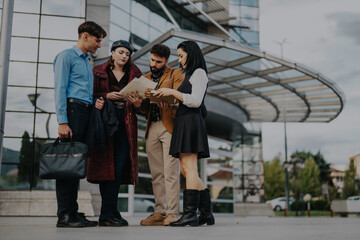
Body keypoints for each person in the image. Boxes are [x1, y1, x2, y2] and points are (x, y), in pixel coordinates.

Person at [153, 41, 215, 227]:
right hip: (184, 120)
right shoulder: (190, 74)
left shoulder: (199, 73)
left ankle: (190, 214)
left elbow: (196, 101)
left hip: (190, 122)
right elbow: (187, 100)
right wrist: (171, 101)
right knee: (186, 170)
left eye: (181, 55)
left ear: (191, 53)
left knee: (190, 169)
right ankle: (205, 214)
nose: (179, 60)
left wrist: (172, 91)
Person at [53, 21, 107, 228]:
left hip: (85, 112)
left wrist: (95, 102)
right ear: (85, 36)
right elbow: (60, 89)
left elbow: (83, 91)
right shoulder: (66, 57)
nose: (99, 45)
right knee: (67, 165)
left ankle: (72, 213)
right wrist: (63, 121)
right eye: (97, 40)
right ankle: (65, 216)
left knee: (75, 166)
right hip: (72, 113)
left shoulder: (87, 61)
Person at [88, 40, 143, 227]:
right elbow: (89, 96)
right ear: (112, 53)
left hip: (125, 122)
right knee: (106, 168)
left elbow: (142, 105)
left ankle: (109, 212)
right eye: (120, 52)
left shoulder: (135, 74)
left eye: (127, 54)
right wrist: (105, 96)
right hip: (104, 121)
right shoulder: (97, 71)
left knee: (118, 168)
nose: (124, 56)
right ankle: (108, 214)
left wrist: (137, 104)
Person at [139, 44, 184, 226]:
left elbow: (181, 98)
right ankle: (160, 212)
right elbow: (144, 108)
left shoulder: (175, 74)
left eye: (158, 62)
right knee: (156, 173)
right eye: (152, 60)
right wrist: (137, 103)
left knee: (170, 172)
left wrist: (172, 103)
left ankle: (173, 213)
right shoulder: (145, 78)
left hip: (169, 126)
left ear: (166, 61)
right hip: (152, 126)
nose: (154, 64)